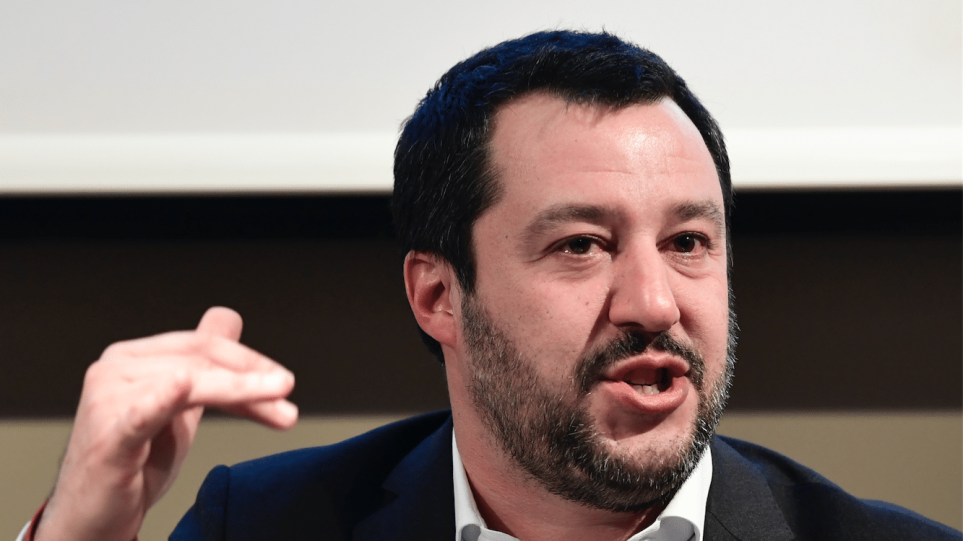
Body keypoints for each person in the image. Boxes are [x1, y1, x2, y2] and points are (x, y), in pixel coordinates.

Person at [21, 30, 960, 541]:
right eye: (582, 246)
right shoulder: (268, 526)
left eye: (687, 241)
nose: (653, 302)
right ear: (438, 296)